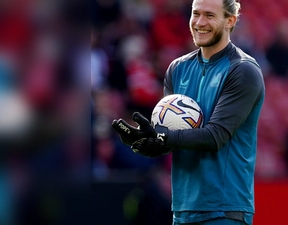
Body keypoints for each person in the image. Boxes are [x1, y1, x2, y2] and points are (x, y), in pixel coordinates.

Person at [112, 0, 265, 224]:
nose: (199, 22)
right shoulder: (177, 69)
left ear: (230, 21)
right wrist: (146, 141)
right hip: (183, 210)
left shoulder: (243, 70)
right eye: (196, 14)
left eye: (210, 15)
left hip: (224, 210)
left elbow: (215, 136)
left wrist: (161, 137)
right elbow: (175, 140)